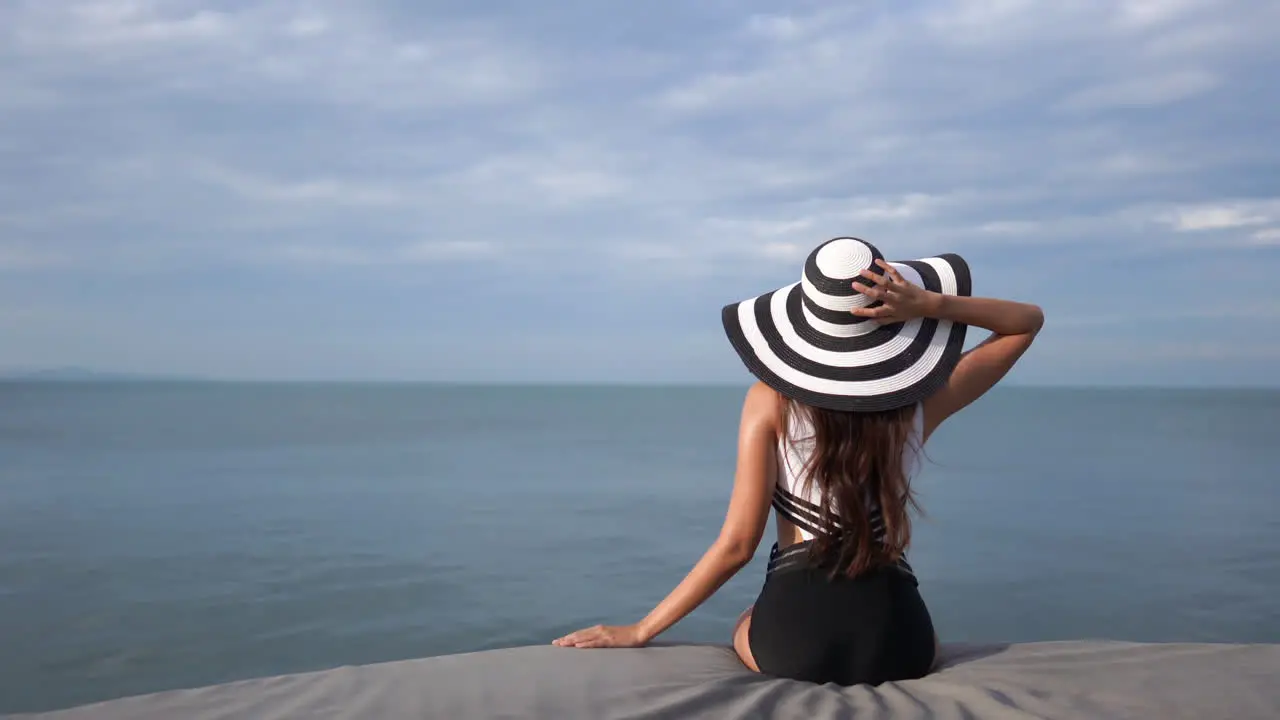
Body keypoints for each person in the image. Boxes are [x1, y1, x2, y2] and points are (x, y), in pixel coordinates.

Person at [552, 236, 1044, 686]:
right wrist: (934, 304)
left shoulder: (768, 401)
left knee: (746, 623)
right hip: (900, 641)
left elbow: (738, 545)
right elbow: (1025, 324)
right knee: (918, 632)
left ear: (806, 325)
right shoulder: (921, 403)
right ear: (894, 316)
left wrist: (641, 630)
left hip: (796, 639)